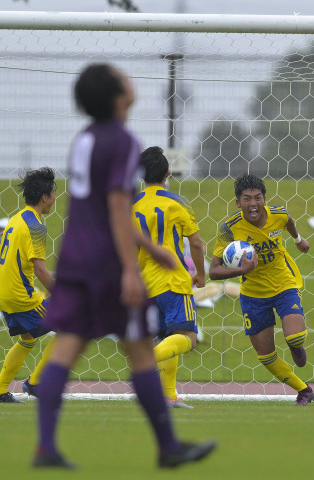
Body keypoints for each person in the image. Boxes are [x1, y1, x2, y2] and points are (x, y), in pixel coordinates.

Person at [34, 64, 215, 469]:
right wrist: (136, 265)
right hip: (106, 264)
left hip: (75, 258)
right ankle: (168, 447)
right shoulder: (123, 141)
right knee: (141, 353)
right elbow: (117, 207)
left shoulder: (84, 140)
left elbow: (100, 207)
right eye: (124, 78)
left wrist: (151, 248)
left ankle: (45, 445)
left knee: (65, 348)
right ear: (119, 96)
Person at [209, 174, 314, 406]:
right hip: (253, 294)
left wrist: (298, 240)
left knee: (295, 336)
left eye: (258, 197)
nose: (253, 203)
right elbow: (213, 271)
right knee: (266, 356)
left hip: (283, 283)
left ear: (265, 199)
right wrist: (242, 270)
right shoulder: (229, 228)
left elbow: (289, 222)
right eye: (246, 199)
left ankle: (295, 346)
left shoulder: (278, 214)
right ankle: (304, 390)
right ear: (238, 203)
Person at [134, 146, 206, 409]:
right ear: (167, 174)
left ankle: (168, 395)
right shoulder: (178, 202)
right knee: (188, 338)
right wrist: (200, 274)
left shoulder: (133, 205)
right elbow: (196, 244)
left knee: (168, 337)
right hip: (174, 280)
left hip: (147, 284)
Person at [0, 168, 58, 403]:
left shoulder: (16, 219)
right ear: (45, 197)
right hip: (21, 296)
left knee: (28, 339)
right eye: (54, 192)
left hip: (4, 294)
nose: (56, 197)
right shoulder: (36, 226)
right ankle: (35, 383)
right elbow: (40, 268)